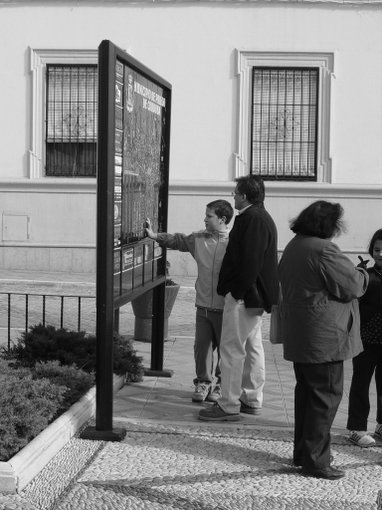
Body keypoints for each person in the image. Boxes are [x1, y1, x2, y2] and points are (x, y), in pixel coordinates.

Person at [278, 200, 368, 480]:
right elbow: (352, 285)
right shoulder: (324, 249)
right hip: (324, 338)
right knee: (325, 398)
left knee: (306, 395)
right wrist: (364, 272)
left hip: (302, 334)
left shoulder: (295, 245)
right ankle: (317, 460)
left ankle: (303, 453)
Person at [198, 174, 279, 422]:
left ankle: (228, 404)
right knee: (253, 347)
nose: (233, 195)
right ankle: (251, 398)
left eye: (235, 192)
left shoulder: (253, 219)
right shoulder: (257, 217)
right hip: (253, 296)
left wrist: (237, 292)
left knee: (231, 349)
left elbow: (250, 261)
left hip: (246, 296)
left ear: (244, 195)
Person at [145, 200, 234, 403]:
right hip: (202, 305)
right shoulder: (199, 238)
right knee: (202, 347)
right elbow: (179, 240)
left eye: (209, 216)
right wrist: (155, 236)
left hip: (226, 307)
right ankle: (203, 382)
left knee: (225, 350)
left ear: (222, 219)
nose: (204, 219)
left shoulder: (234, 242)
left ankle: (221, 384)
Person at [346, 228, 382, 447]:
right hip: (365, 340)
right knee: (360, 383)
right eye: (377, 249)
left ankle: (380, 425)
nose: (380, 254)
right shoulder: (365, 275)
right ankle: (356, 428)